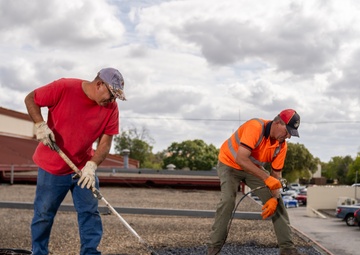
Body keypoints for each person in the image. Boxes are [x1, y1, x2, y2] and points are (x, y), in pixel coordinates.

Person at [24, 67, 126, 255]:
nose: (112, 101)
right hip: (52, 166)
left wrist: (92, 165)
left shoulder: (111, 108)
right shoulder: (64, 87)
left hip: (82, 169)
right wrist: (40, 124)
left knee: (90, 213)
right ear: (98, 84)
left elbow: (105, 142)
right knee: (43, 214)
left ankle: (89, 252)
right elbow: (31, 98)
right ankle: (38, 252)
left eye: (115, 98)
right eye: (112, 95)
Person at [207, 109, 303, 255]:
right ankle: (213, 248)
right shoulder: (255, 127)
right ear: (277, 123)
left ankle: (288, 250)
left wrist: (275, 198)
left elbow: (275, 175)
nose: (289, 136)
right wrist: (266, 178)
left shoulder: (281, 146)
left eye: (291, 133)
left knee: (279, 204)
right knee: (228, 201)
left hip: (252, 169)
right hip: (229, 164)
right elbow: (241, 159)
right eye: (287, 131)